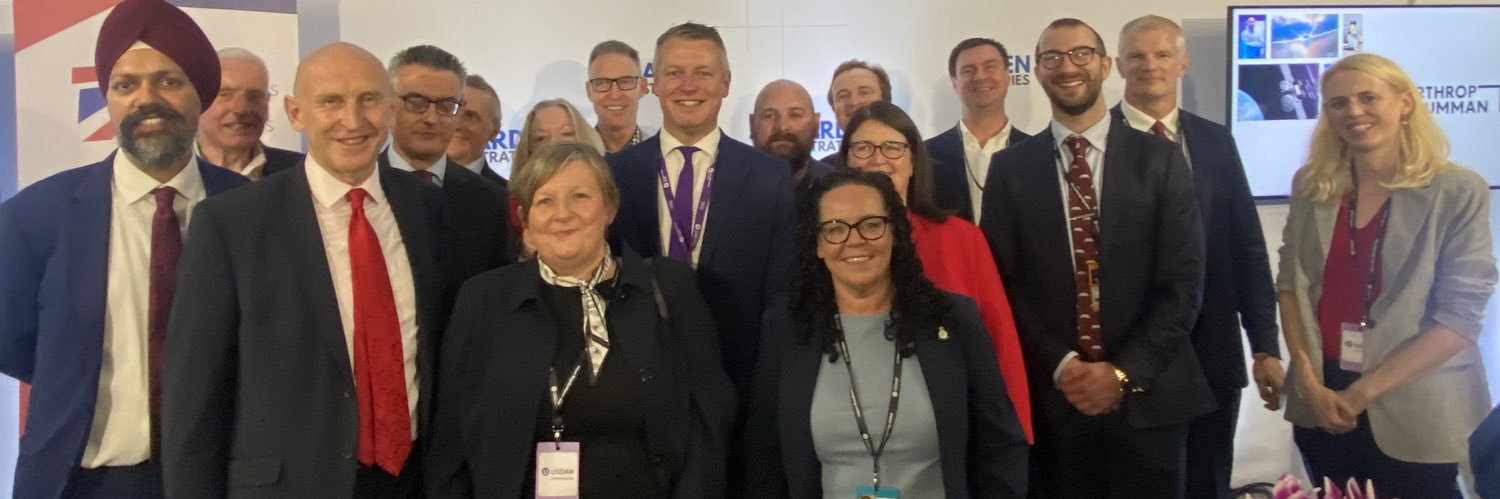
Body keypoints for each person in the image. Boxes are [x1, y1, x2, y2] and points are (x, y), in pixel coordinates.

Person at [161, 41, 444, 498]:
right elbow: (194, 398)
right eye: (331, 101)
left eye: (369, 99)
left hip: (413, 480)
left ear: (391, 109)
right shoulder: (231, 223)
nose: (353, 120)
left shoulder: (427, 207)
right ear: (295, 113)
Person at [0, 1, 249, 496]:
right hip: (84, 481)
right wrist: (75, 368)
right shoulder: (36, 215)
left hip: (225, 477)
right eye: (125, 85)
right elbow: (14, 340)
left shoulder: (252, 210)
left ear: (200, 95)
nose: (146, 99)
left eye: (169, 81)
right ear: (107, 99)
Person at [979, 18, 1212, 498]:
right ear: (1038, 73)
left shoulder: (1161, 159)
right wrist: (1063, 365)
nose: (1067, 67)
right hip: (1055, 402)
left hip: (1152, 399)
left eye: (1081, 54)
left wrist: (1121, 374)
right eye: (1052, 58)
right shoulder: (1010, 169)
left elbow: (1183, 283)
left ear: (1107, 66)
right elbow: (1003, 284)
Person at [425, 142, 736, 498]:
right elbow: (451, 439)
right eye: (545, 201)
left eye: (579, 197)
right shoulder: (483, 299)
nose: (563, 214)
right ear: (525, 220)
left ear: (610, 208)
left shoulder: (668, 290)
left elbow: (708, 422)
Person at [1276, 53, 1496, 499]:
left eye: (1368, 97)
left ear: (1405, 104)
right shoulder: (1313, 186)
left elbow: (1460, 318)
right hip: (1323, 398)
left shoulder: (1457, 190)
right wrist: (1307, 379)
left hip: (1416, 400)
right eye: (1338, 103)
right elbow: (1290, 288)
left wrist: (1361, 394)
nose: (1353, 111)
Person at [744, 170, 1027, 498]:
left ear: (895, 232)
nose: (855, 240)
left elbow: (1001, 444)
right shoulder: (786, 330)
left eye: (871, 224)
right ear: (817, 245)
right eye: (835, 228)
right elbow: (764, 457)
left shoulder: (953, 320)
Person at [1112, 15, 1283, 499]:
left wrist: (1266, 346)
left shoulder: (1215, 141)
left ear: (1182, 62)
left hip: (1213, 353)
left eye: (1163, 54)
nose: (1151, 65)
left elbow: (1246, 246)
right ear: (1120, 65)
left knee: (1209, 481)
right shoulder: (1095, 145)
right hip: (1136, 355)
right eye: (1138, 55)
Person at [606, 22, 796, 395]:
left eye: (703, 73)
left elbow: (782, 294)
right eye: (674, 73)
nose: (688, 86)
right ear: (653, 84)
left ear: (725, 83)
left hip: (738, 381)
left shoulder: (770, 176)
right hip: (634, 383)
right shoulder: (612, 174)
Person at [842, 100, 1031, 441]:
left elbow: (1000, 341)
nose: (877, 158)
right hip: (850, 421)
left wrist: (1014, 436)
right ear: (846, 160)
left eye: (893, 147)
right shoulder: (827, 242)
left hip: (954, 425)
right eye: (863, 147)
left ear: (914, 160)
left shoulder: (962, 240)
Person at [379, 44, 511, 313]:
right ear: (389, 104)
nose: (431, 118)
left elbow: (499, 301)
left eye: (446, 105)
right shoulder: (356, 189)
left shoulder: (489, 200)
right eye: (416, 102)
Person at [927, 38, 1032, 223]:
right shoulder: (926, 155)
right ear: (954, 83)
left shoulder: (1037, 152)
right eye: (968, 70)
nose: (980, 77)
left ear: (1008, 76)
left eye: (990, 67)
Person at [508, 98, 606, 251]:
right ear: (528, 149)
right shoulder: (509, 210)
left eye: (566, 133)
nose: (554, 143)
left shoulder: (607, 195)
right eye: (541, 138)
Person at [195, 47, 303, 180]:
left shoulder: (301, 174)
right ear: (198, 100)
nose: (241, 109)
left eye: (255, 96)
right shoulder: (170, 172)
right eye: (225, 94)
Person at [749, 79, 834, 206]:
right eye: (769, 116)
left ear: (816, 124)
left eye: (795, 115)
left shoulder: (837, 186)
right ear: (752, 125)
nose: (782, 127)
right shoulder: (730, 187)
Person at [822, 59, 893, 165]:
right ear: (833, 108)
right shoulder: (824, 172)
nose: (853, 102)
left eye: (864, 93)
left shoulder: (913, 159)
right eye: (843, 96)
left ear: (885, 101)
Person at [587, 40, 652, 153]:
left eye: (625, 82)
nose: (615, 95)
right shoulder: (572, 159)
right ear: (589, 91)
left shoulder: (662, 158)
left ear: (642, 87)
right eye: (602, 83)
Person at [447, 73, 508, 187]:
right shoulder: (407, 185)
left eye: (470, 116)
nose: (456, 124)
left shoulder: (508, 198)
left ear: (495, 132)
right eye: (450, 111)